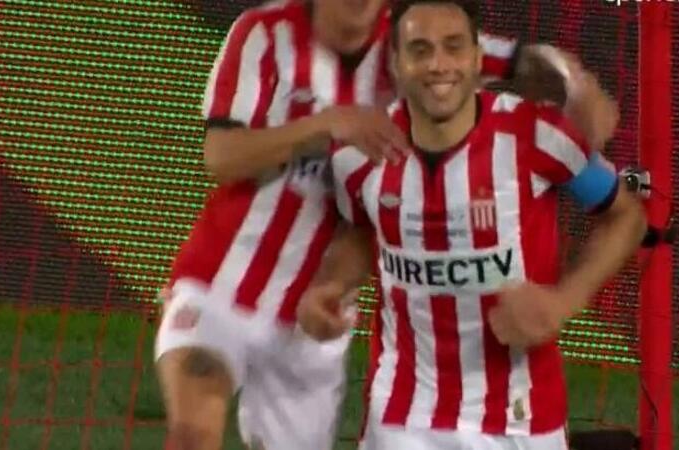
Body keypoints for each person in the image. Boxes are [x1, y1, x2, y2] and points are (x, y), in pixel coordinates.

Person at [155, 0, 621, 449]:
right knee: (194, 431)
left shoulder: (413, 43)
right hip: (221, 284)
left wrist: (579, 92)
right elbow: (222, 157)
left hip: (315, 317)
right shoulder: (264, 33)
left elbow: (524, 61)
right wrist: (326, 125)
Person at [299, 1, 647, 449]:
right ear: (396, 63)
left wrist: (564, 301)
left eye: (453, 47)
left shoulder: (538, 135)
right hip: (404, 416)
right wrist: (330, 286)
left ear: (478, 59)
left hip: (521, 419)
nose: (438, 64)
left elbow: (626, 216)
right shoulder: (358, 154)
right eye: (420, 50)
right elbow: (363, 233)